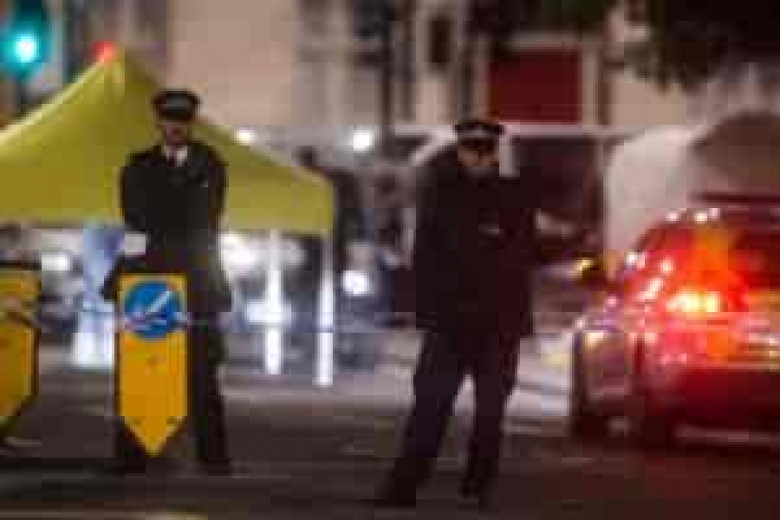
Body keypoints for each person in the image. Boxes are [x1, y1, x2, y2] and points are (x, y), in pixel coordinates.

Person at [372, 118, 539, 510]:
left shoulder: (513, 196)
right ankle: (404, 486)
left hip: (496, 324)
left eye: (485, 150)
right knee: (430, 407)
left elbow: (518, 259)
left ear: (494, 153)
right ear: (460, 150)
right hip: (451, 323)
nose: (478, 157)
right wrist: (427, 311)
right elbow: (425, 257)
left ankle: (478, 487)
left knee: (490, 413)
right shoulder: (441, 193)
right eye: (471, 149)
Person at [102, 88, 232, 475]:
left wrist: (163, 229)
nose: (175, 127)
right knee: (137, 369)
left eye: (182, 121)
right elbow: (136, 217)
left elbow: (204, 219)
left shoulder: (210, 165)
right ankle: (130, 454)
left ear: (191, 124)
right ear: (159, 122)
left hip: (195, 281)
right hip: (150, 277)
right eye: (169, 120)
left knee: (202, 374)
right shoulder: (139, 166)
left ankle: (213, 457)